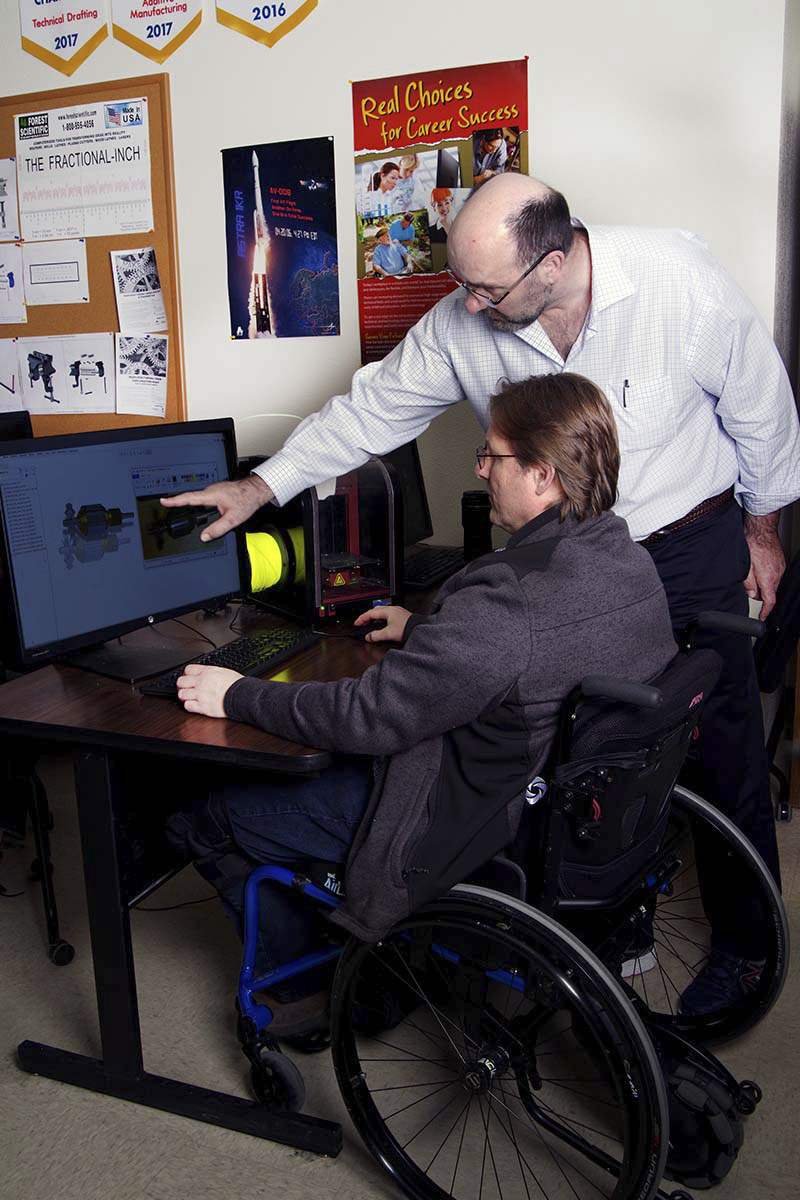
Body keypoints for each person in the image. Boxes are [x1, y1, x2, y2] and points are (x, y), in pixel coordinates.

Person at [165, 174, 800, 1012]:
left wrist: (764, 535)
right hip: (567, 559)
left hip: (683, 541)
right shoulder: (464, 322)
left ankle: (747, 946)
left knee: (712, 741)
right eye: (459, 284)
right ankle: (603, 911)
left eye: (485, 288)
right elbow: (372, 412)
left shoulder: (680, 283)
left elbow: (762, 410)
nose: (466, 306)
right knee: (575, 745)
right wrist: (262, 487)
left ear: (554, 259)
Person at [167, 374, 677, 1033]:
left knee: (209, 815)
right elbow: (530, 652)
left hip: (457, 819)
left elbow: (366, 717)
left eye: (492, 455)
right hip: (560, 808)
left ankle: (313, 994)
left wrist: (237, 695)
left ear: (544, 475)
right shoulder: (624, 556)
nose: (480, 468)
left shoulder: (505, 600)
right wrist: (425, 629)